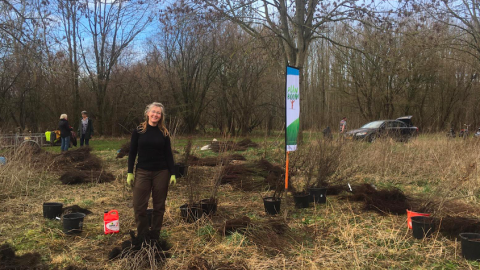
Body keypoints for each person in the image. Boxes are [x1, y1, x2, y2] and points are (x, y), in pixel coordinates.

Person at [127, 102, 176, 240]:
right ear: (147, 113)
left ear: (161, 116)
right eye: (153, 112)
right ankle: (142, 235)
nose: (155, 114)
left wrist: (173, 173)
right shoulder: (139, 131)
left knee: (159, 206)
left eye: (158, 113)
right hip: (142, 172)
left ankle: (155, 235)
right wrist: (130, 172)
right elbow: (132, 152)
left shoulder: (164, 133)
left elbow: (168, 154)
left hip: (161, 172)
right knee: (139, 206)